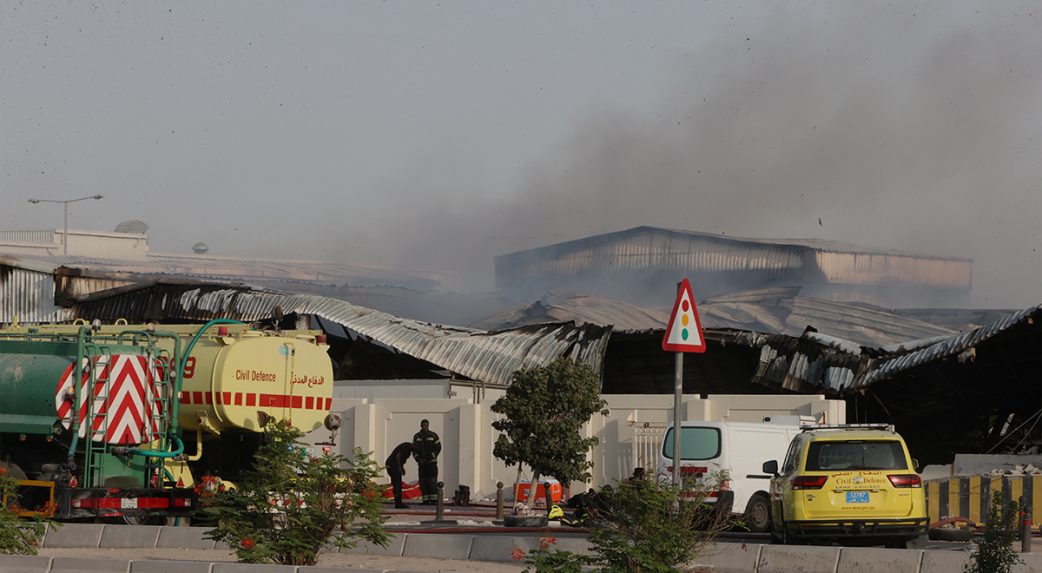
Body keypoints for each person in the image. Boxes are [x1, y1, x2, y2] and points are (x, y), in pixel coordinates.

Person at [412, 419, 442, 505]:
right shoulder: (417, 437)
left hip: (431, 463)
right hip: (422, 464)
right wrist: (419, 459)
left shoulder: (433, 435)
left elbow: (438, 448)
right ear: (420, 425)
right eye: (423, 425)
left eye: (426, 425)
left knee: (432, 480)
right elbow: (414, 450)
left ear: (428, 425)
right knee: (423, 481)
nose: (425, 426)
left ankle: (434, 500)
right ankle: (425, 500)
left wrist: (430, 457)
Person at [385, 442, 413, 509]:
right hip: (393, 465)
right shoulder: (407, 447)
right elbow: (398, 456)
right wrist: (400, 467)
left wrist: (401, 467)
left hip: (392, 465)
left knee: (397, 483)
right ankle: (398, 503)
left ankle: (398, 502)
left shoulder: (408, 448)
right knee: (397, 483)